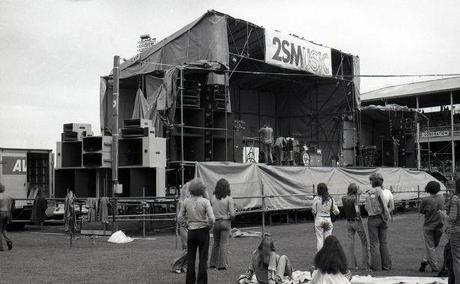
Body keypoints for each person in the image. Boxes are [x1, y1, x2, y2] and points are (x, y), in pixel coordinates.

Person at [178, 178, 215, 284]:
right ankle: (201, 282)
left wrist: (185, 224)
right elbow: (212, 218)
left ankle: (190, 281)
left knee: (191, 258)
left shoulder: (186, 201)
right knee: (203, 259)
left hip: (191, 231)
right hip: (203, 231)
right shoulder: (205, 202)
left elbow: (180, 217)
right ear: (202, 189)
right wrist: (210, 226)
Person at [365, 173, 391, 271]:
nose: (370, 182)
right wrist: (386, 216)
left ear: (373, 182)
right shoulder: (382, 191)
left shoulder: (369, 192)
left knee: (374, 243)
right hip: (382, 218)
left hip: (373, 219)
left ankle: (376, 266)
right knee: (384, 242)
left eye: (370, 180)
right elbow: (385, 206)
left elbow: (367, 207)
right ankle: (386, 266)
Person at [419, 181, 445, 273]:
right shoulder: (442, 197)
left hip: (429, 225)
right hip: (439, 224)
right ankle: (433, 266)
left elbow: (421, 211)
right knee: (433, 245)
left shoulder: (425, 200)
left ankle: (427, 261)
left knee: (431, 246)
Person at [209, 178, 235, 270]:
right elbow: (232, 215)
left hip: (215, 222)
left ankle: (212, 263)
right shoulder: (229, 198)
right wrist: (227, 217)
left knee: (216, 243)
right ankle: (222, 265)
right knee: (223, 243)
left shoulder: (212, 197)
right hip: (225, 222)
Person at [341, 183, 368, 270]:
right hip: (356, 221)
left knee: (350, 244)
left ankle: (352, 265)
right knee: (364, 242)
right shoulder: (355, 199)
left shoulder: (344, 198)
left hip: (348, 222)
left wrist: (357, 196)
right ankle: (365, 264)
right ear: (355, 190)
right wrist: (358, 197)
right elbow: (357, 211)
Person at [312, 183, 339, 251]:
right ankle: (329, 254)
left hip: (319, 220)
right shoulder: (331, 199)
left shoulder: (316, 198)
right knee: (328, 239)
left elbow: (314, 211)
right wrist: (331, 212)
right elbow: (337, 212)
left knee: (320, 239)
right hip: (327, 219)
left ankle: (319, 255)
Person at [171, 182, 191, 273]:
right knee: (188, 247)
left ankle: (184, 265)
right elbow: (179, 216)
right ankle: (176, 264)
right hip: (184, 226)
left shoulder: (191, 200)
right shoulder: (181, 202)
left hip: (191, 225)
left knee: (187, 248)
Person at [446, 178, 460, 284]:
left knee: (457, 260)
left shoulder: (455, 198)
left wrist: (443, 214)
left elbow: (452, 218)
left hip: (456, 231)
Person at [0, 183, 13, 251]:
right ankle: (9, 241)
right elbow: (10, 207)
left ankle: (1, 247)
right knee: (4, 229)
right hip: (7, 213)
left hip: (1, 213)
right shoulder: (8, 197)